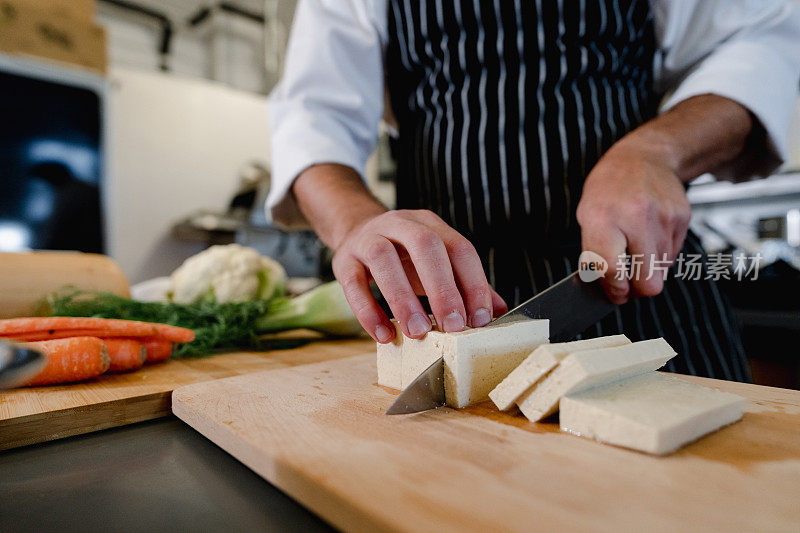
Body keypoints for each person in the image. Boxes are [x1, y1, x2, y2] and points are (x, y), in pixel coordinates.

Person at [267, 0, 800, 381]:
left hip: (640, 283)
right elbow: (316, 114)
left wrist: (659, 151)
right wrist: (357, 224)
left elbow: (764, 38)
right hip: (456, 310)